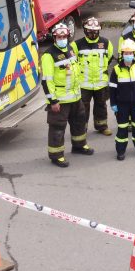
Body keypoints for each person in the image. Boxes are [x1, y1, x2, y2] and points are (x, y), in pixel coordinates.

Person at [41, 24, 93, 167]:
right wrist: (53, 101)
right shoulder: (48, 55)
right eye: (59, 37)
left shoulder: (70, 49)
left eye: (64, 37)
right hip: (61, 100)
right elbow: (46, 81)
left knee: (79, 123)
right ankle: (56, 155)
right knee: (57, 128)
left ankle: (79, 146)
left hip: (75, 97)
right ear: (54, 37)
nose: (62, 39)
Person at [109, 39, 135, 160]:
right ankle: (120, 151)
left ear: (134, 54)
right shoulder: (116, 69)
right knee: (122, 128)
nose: (128, 55)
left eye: (130, 53)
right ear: (122, 54)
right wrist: (113, 103)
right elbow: (112, 89)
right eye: (126, 53)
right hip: (122, 105)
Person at [75, 17, 114, 136]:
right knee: (82, 108)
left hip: (100, 82)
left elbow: (109, 59)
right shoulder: (77, 45)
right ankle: (82, 129)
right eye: (90, 30)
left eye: (95, 31)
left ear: (99, 30)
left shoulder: (106, 43)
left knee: (101, 105)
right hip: (84, 83)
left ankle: (102, 126)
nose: (92, 33)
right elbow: (73, 62)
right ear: (85, 30)